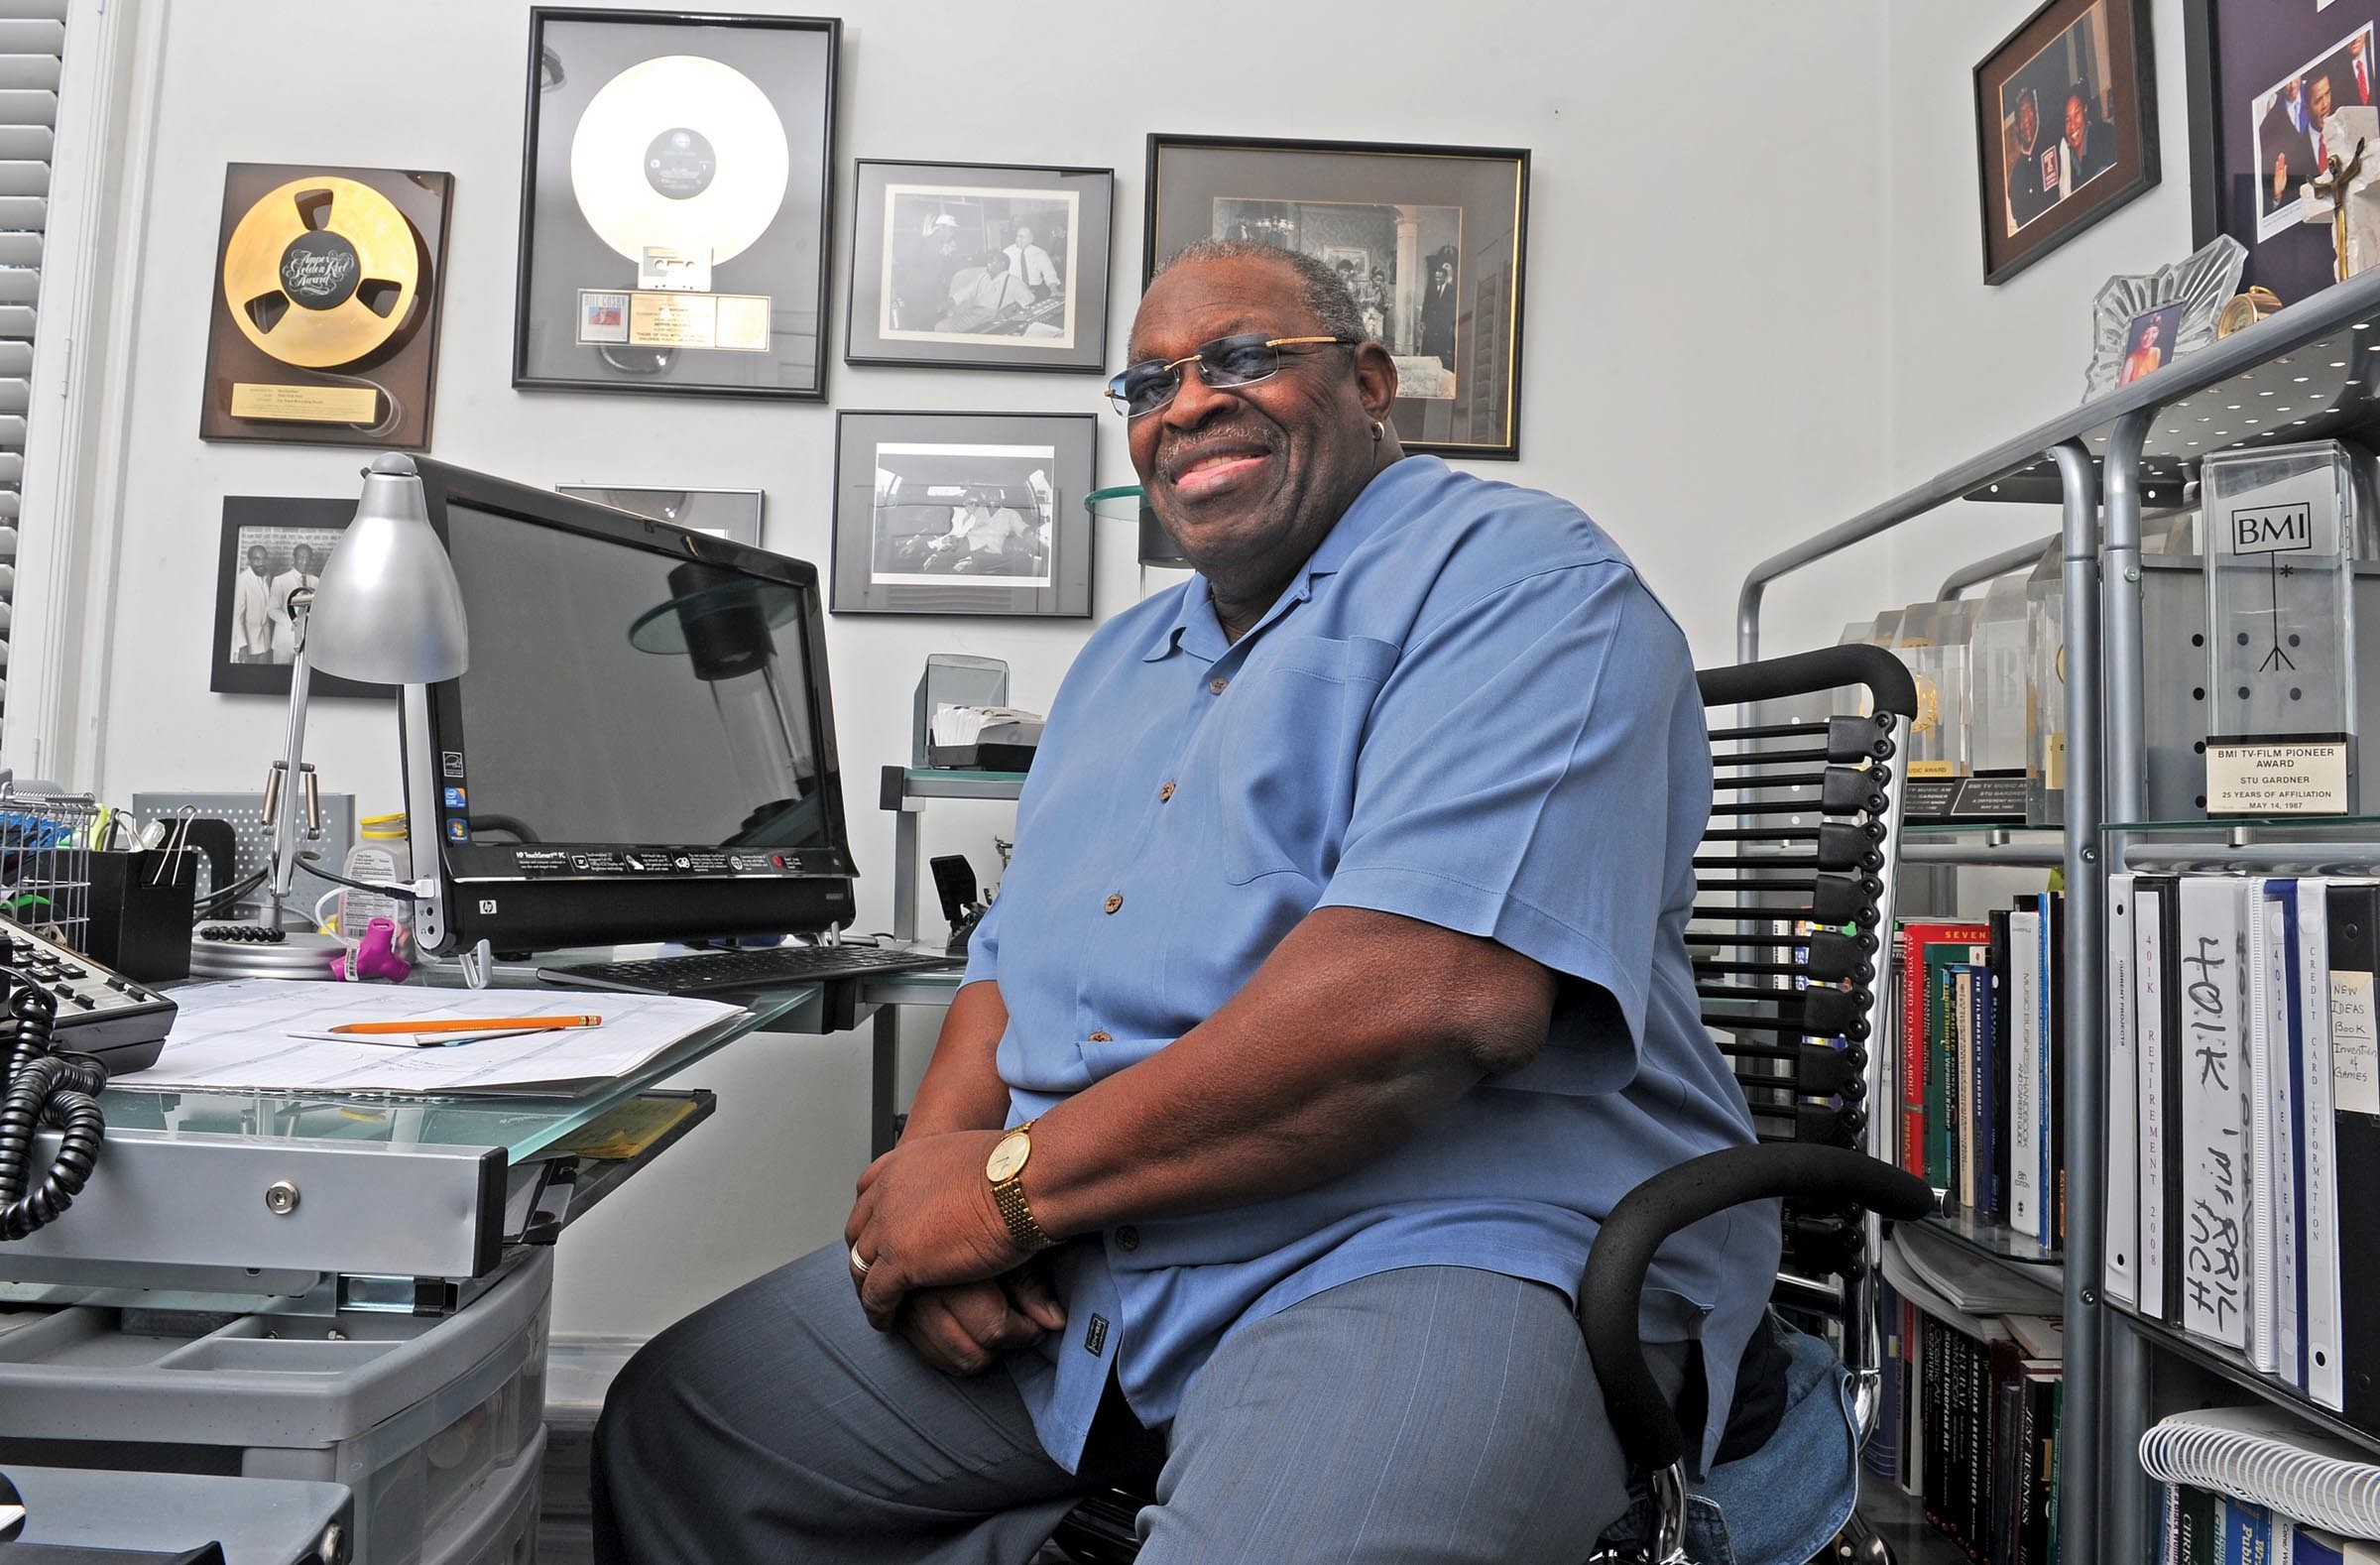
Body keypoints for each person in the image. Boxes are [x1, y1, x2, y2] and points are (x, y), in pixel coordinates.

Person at [591, 237, 1775, 1565]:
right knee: (682, 1430)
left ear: (1371, 383)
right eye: (1149, 384)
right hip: (1102, 1242)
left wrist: (1004, 1195)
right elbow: (1009, 972)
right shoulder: (1118, 665)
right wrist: (930, 1200)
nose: (1189, 403)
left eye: (1243, 357)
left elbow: (1428, 1002)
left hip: (1441, 1237)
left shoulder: (1525, 583)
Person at [940, 248, 1035, 334]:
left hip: (992, 316)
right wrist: (949, 302)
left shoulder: (1014, 281)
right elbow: (966, 292)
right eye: (988, 261)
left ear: (1002, 264)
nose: (987, 264)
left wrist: (1010, 309)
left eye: (991, 261)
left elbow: (1029, 300)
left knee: (943, 328)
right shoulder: (983, 277)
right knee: (941, 326)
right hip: (974, 313)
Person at [2006, 84, 2059, 226]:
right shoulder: (2015, 178)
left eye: (2029, 110)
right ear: (2017, 126)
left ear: (2036, 113)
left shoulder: (2054, 147)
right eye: (2022, 114)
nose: (2026, 120)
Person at [268, 542, 319, 662]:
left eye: (308, 558)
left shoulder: (316, 581)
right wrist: (294, 622)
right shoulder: (280, 580)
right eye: (301, 558)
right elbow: (272, 610)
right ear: (294, 559)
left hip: (305, 643)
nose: (304, 562)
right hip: (283, 642)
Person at [2264, 77, 2309, 213]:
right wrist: (2277, 196)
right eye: (2287, 83)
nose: (2292, 86)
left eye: (2295, 80)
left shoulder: (2314, 93)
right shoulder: (2271, 117)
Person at [2064, 84, 2116, 188]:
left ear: (2085, 110)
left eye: (2077, 113)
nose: (2072, 125)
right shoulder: (2068, 165)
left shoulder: (2104, 135)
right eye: (2068, 120)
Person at [230, 543, 274, 664]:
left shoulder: (267, 577)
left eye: (264, 559)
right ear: (249, 561)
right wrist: (242, 645)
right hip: (247, 643)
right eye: (257, 559)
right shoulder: (242, 580)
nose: (261, 563)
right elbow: (236, 616)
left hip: (265, 641)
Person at [1418, 254, 1457, 368]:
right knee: (1428, 346)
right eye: (1436, 277)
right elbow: (1425, 305)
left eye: (1440, 278)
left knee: (1440, 347)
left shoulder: (1451, 290)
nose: (1437, 280)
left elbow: (1452, 309)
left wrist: (1449, 324)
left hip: (1443, 324)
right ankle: (1427, 365)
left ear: (1445, 277)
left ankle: (1439, 366)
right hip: (1430, 323)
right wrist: (1422, 320)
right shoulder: (1430, 289)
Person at [1004, 224, 1061, 296]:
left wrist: (1054, 290)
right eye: (1017, 236)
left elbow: (1049, 274)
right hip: (1014, 291)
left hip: (1035, 290)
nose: (1018, 239)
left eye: (1022, 237)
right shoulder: (1007, 253)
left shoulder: (1040, 253)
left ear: (1030, 240)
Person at [2121, 314, 2166, 385]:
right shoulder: (2131, 361)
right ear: (2140, 335)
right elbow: (2122, 390)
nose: (2149, 337)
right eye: (2146, 333)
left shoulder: (2157, 352)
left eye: (2154, 332)